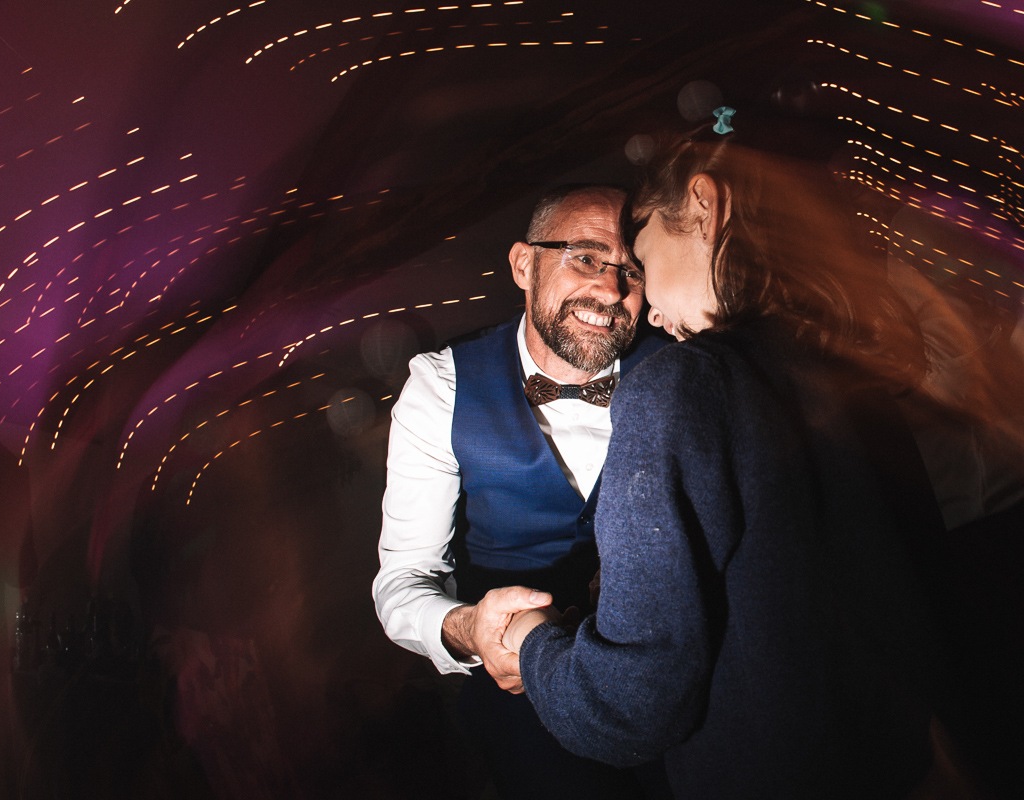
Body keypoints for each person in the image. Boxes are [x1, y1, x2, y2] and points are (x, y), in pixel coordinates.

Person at [505, 128, 946, 798]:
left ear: (704, 207)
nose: (647, 311)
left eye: (642, 262)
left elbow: (626, 709)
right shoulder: (852, 377)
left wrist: (533, 642)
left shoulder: (679, 385)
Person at [373, 185, 665, 798]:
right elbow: (403, 583)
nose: (611, 290)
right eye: (585, 258)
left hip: (670, 667)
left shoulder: (682, 367)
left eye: (633, 270)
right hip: (524, 697)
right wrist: (469, 627)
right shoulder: (442, 388)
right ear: (524, 264)